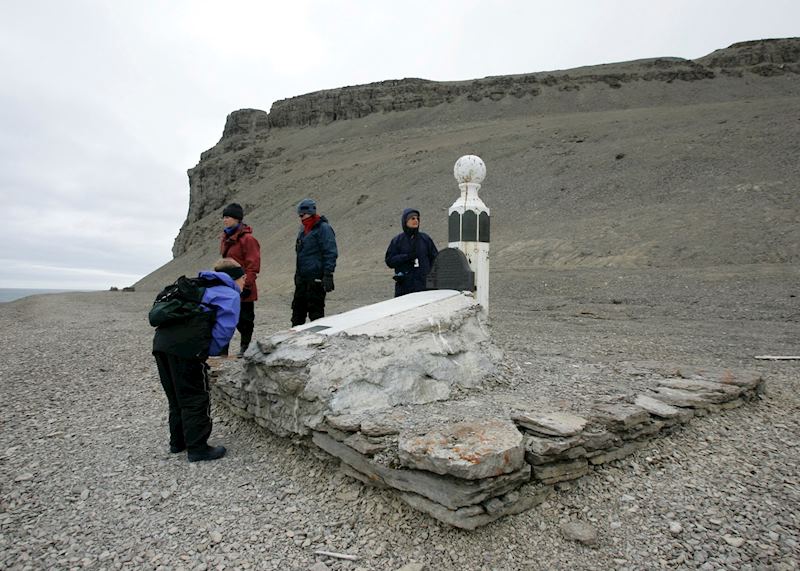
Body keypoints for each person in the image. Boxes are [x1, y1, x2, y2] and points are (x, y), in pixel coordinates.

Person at [152, 258, 245, 462]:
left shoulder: (198, 286)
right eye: (244, 278)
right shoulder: (229, 294)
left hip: (161, 345)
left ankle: (178, 443)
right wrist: (206, 351)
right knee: (195, 397)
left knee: (176, 397)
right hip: (188, 349)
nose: (245, 282)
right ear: (236, 278)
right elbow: (225, 329)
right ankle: (198, 448)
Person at [220, 203, 261, 355]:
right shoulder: (225, 237)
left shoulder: (248, 239)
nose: (224, 220)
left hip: (244, 285)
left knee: (245, 319)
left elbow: (253, 264)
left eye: (228, 217)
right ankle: (223, 348)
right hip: (228, 285)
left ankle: (245, 347)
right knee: (225, 317)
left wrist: (246, 285)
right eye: (223, 217)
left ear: (237, 219)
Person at [291, 198, 338, 326]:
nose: (301, 217)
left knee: (316, 314)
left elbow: (330, 252)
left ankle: (316, 342)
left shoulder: (323, 228)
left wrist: (328, 273)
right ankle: (294, 344)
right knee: (297, 314)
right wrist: (297, 276)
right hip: (302, 280)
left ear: (311, 212)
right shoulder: (303, 230)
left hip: (316, 279)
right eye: (300, 215)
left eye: (303, 214)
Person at [385, 208, 438, 297]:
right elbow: (389, 261)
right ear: (405, 221)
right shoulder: (397, 241)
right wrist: (406, 257)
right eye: (412, 218)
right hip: (404, 287)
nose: (416, 220)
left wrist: (433, 284)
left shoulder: (425, 239)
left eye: (417, 218)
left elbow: (436, 261)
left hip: (425, 287)